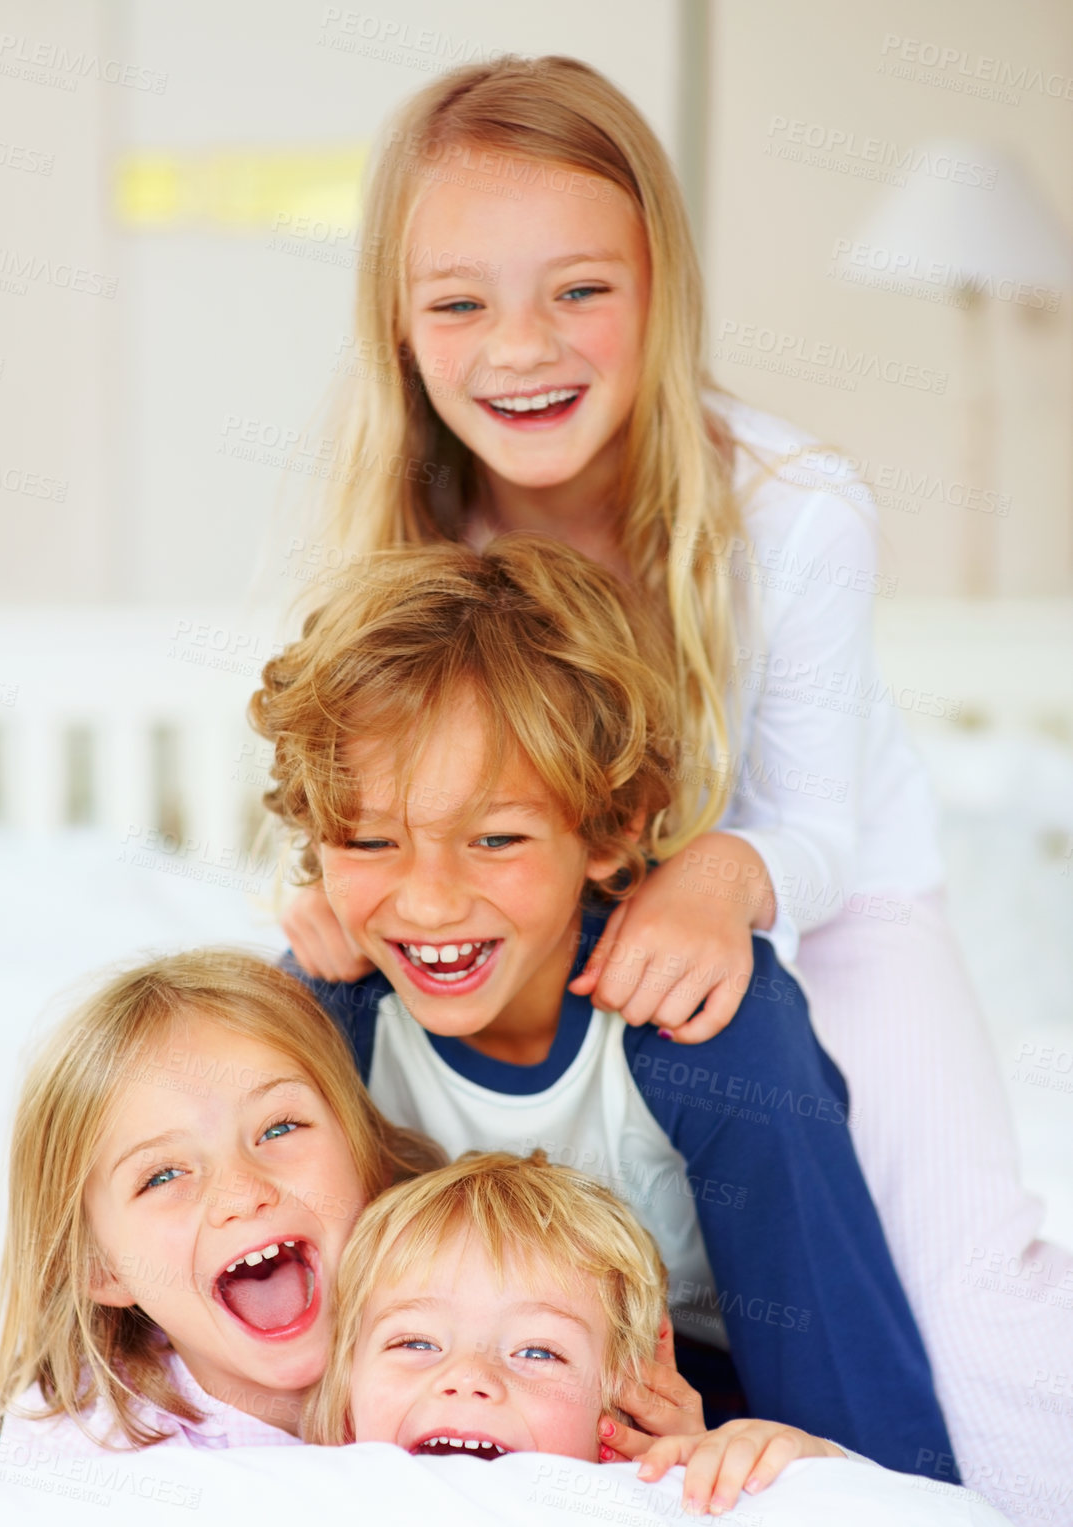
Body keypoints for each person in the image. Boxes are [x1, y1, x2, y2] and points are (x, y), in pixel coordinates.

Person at [275, 55, 1072, 1527]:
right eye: (459, 304)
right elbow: (373, 791)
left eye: (577, 290)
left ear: (659, 290)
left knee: (973, 1316)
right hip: (539, 919)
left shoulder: (788, 501)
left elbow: (816, 826)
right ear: (396, 317)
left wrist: (722, 874)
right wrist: (328, 895)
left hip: (822, 904)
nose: (520, 347)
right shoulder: (406, 530)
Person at [252, 533, 955, 1477]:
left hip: (686, 1429)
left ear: (611, 830)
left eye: (495, 839)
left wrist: (750, 1457)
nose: (425, 903)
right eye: (370, 843)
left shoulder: (705, 1028)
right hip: (421, 1424)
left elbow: (856, 1411)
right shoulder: (325, 1026)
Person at [0, 949, 440, 1457]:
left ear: (368, 1158)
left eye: (279, 1128)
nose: (242, 1195)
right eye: (162, 1176)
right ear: (100, 1266)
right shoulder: (80, 1455)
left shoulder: (472, 1379)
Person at [309, 1150, 852, 1516]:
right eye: (415, 1343)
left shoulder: (658, 1515)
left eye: (538, 1351)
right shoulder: (303, 1504)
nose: (468, 1378)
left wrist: (796, 1466)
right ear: (346, 1398)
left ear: (619, 1411)